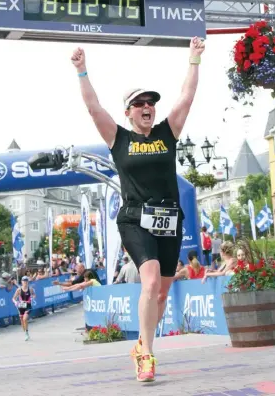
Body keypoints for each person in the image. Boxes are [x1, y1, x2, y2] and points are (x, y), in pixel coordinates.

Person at [71, 37, 205, 382]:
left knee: (161, 291)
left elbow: (186, 98)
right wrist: (82, 70)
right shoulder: (119, 138)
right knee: (149, 280)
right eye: (139, 103)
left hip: (169, 219)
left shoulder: (167, 133)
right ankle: (146, 353)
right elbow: (93, 108)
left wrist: (193, 59)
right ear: (128, 112)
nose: (147, 107)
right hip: (135, 218)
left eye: (150, 103)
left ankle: (143, 345)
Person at [13, 276, 36, 341]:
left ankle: (26, 332)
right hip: (21, 306)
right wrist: (15, 302)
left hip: (28, 306)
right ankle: (26, 332)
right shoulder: (19, 290)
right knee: (22, 321)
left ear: (28, 282)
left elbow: (34, 295)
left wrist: (32, 297)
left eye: (26, 281)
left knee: (25, 318)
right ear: (22, 282)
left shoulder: (30, 289)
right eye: (24, 281)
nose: (25, 282)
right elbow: (13, 298)